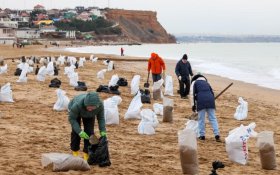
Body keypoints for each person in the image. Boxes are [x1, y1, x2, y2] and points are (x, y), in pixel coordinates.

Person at [68, 92, 107, 160]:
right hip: (76, 113)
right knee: (76, 132)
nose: (90, 109)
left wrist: (102, 130)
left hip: (89, 115)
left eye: (92, 107)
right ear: (85, 104)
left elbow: (101, 118)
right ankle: (75, 152)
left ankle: (86, 154)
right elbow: (72, 119)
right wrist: (80, 132)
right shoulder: (77, 105)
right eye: (88, 107)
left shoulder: (100, 105)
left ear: (96, 106)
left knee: (89, 133)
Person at [190, 73, 221, 142]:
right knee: (213, 118)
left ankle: (202, 136)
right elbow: (212, 93)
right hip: (210, 100)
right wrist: (211, 100)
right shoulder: (207, 83)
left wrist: (193, 105)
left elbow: (192, 94)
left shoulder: (195, 83)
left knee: (201, 119)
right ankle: (217, 135)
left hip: (201, 101)